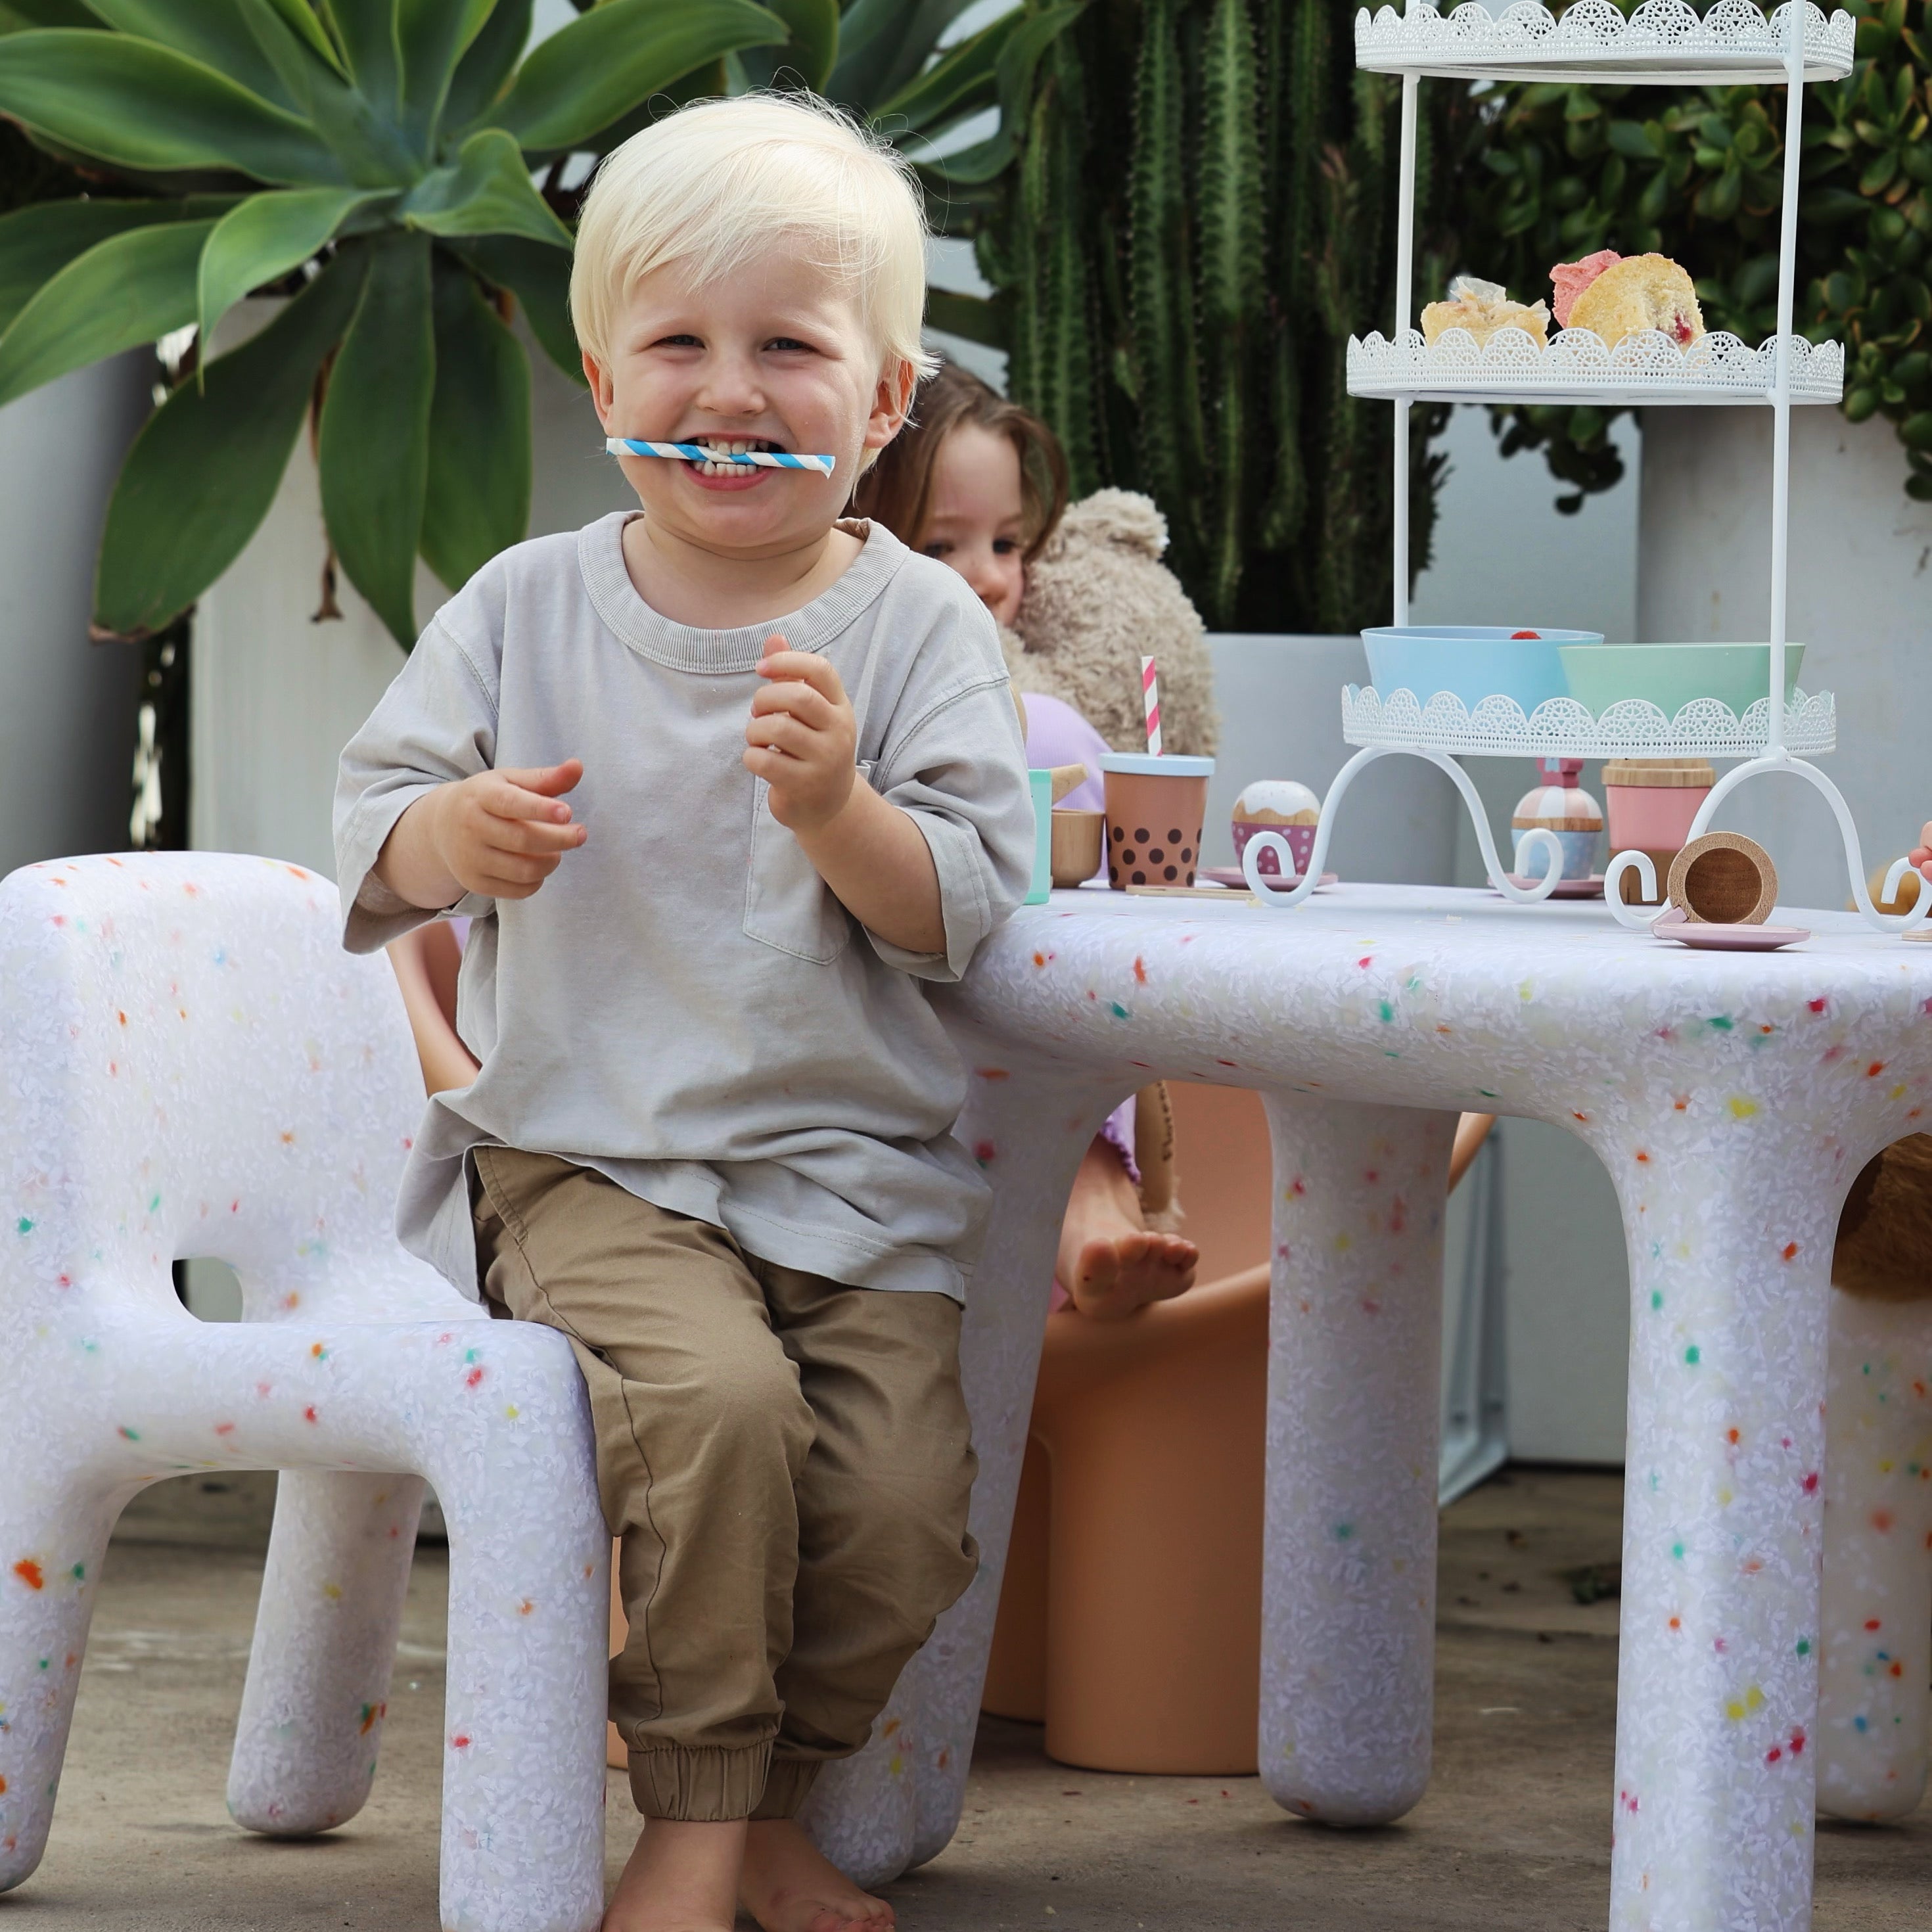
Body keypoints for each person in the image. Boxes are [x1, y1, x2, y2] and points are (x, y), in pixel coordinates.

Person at [334, 96, 1034, 1932]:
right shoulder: (524, 605)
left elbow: (967, 904)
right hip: (586, 1154)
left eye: (788, 346)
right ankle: (700, 1825)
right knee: (718, 1412)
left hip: (849, 1176)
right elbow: (364, 842)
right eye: (680, 343)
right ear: (600, 375)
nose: (729, 387)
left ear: (883, 403)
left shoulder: (921, 634)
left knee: (900, 1504)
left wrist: (840, 818)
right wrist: (451, 831)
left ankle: (779, 1798)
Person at [855, 362, 1199, 1318]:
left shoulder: (1049, 706)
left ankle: (1092, 1180)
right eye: (942, 545)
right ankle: (1081, 1190)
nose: (993, 579)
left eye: (1008, 543)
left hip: (1015, 1075)